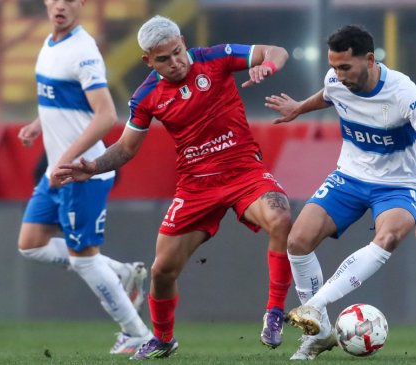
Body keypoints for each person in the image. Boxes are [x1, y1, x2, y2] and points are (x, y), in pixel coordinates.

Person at [55, 15, 294, 360]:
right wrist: (92, 167)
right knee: (161, 271)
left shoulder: (214, 58)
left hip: (244, 172)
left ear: (183, 41)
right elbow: (125, 148)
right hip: (195, 186)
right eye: (163, 59)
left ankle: (274, 313)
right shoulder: (146, 95)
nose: (175, 63)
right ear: (147, 61)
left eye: (178, 52)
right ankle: (163, 339)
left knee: (281, 217)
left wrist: (267, 67)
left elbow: (277, 50)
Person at [264, 25, 416, 360]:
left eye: (345, 67)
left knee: (389, 237)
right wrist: (298, 108)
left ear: (369, 59)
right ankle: (321, 333)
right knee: (297, 241)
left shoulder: (402, 92)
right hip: (349, 177)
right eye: (334, 67)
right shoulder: (336, 80)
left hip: (397, 186)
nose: (337, 74)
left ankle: (312, 306)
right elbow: (327, 95)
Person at [17, 0, 151, 355]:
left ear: (81, 5)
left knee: (83, 259)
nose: (61, 6)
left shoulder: (83, 50)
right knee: (31, 244)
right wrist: (37, 124)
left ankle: (137, 333)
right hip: (56, 170)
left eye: (70, 0)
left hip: (80, 174)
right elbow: (59, 101)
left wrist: (66, 156)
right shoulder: (49, 44)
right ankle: (121, 272)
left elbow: (106, 115)